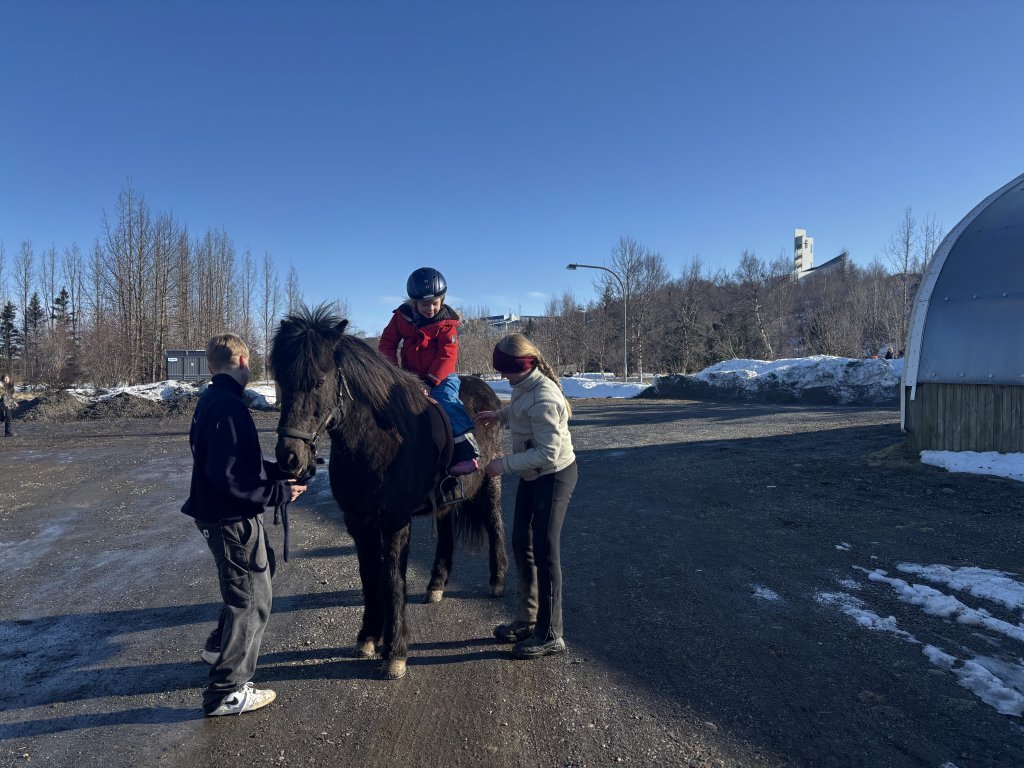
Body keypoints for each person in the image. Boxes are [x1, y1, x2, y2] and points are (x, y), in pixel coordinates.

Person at [182, 333, 306, 717]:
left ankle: (219, 647)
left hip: (223, 513)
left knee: (258, 571)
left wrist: (278, 473)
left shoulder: (215, 399)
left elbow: (236, 464)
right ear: (241, 361)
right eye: (249, 363)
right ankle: (227, 691)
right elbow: (230, 478)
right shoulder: (228, 407)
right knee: (251, 600)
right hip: (230, 518)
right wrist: (278, 493)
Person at [475, 334, 577, 659]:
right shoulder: (524, 384)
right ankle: (528, 619)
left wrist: (501, 465)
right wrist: (500, 415)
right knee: (521, 542)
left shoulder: (545, 397)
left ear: (522, 366)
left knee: (545, 552)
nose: (503, 377)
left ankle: (551, 634)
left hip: (553, 476)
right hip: (533, 475)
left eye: (506, 371)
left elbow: (548, 453)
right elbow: (520, 409)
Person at [378, 266, 480, 474]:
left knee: (447, 400)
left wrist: (432, 381)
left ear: (442, 300)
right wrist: (393, 372)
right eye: (425, 304)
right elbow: (387, 343)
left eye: (435, 303)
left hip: (441, 376)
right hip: (411, 376)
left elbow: (447, 354)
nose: (430, 308)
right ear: (414, 303)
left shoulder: (446, 324)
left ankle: (467, 450)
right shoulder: (401, 318)